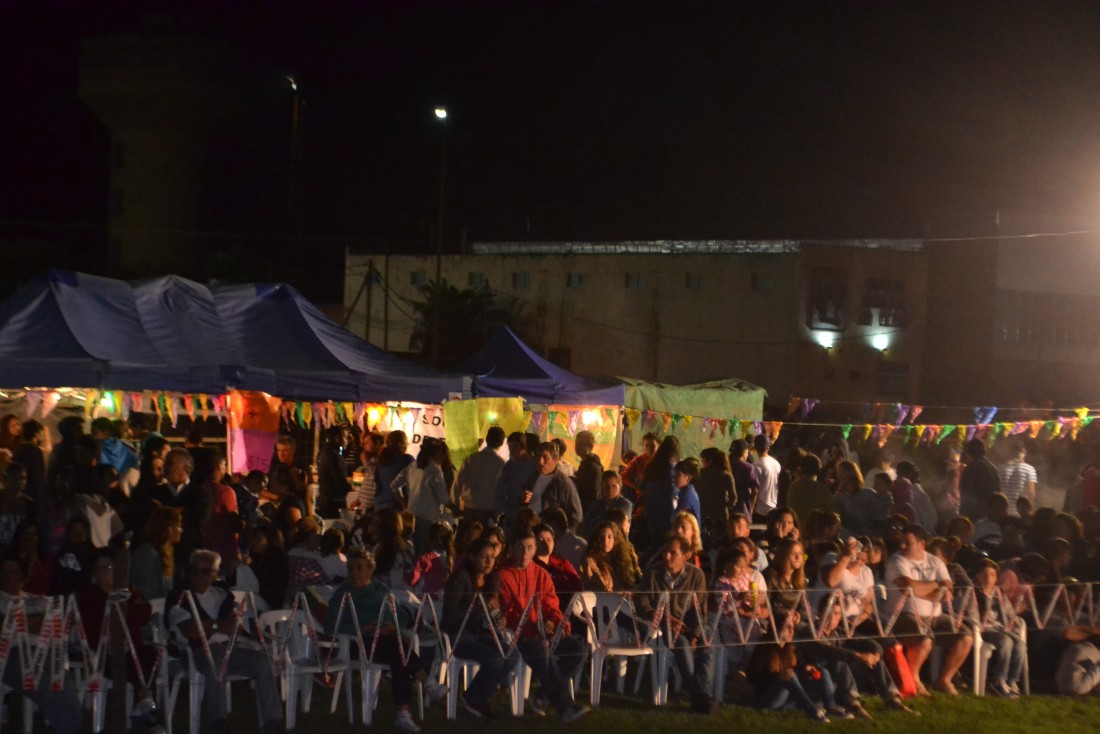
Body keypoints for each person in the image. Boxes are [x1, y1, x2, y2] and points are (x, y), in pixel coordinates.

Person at [325, 547, 447, 731]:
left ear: (370, 570)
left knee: (398, 653)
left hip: (384, 639)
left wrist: (391, 624)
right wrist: (361, 628)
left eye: (360, 568)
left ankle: (405, 711)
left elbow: (402, 616)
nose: (355, 573)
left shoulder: (380, 590)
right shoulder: (342, 594)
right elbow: (331, 624)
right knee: (398, 650)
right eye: (351, 568)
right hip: (357, 643)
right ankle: (425, 686)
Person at [166, 549, 283, 734]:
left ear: (214, 575)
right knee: (216, 661)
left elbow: (235, 627)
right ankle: (218, 723)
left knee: (262, 662)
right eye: (193, 570)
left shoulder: (221, 594)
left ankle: (272, 723)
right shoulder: (180, 596)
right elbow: (189, 630)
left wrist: (211, 626)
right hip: (196, 653)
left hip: (229, 649)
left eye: (205, 572)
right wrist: (217, 626)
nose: (198, 576)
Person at [497, 530, 590, 722]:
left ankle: (542, 695)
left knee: (579, 650)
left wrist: (555, 624)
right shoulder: (502, 576)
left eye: (530, 548)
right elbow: (509, 612)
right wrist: (534, 629)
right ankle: (565, 708)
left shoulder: (541, 575)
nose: (525, 552)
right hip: (519, 636)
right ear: (512, 548)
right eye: (521, 547)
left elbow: (552, 606)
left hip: (544, 633)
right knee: (540, 651)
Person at [0, 555, 85, 734]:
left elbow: (59, 623)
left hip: (45, 650)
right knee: (44, 685)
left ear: (23, 576)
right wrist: (36, 621)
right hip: (12, 653)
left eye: (14, 572)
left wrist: (22, 622)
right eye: (4, 571)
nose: (8, 576)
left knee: (65, 684)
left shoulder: (38, 600)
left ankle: (74, 730)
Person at [885, 523, 974, 695]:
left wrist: (918, 590)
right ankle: (913, 679)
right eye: (901, 542)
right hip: (903, 614)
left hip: (935, 616)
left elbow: (948, 593)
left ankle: (944, 679)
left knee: (965, 637)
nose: (902, 546)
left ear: (921, 544)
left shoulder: (935, 562)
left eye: (908, 543)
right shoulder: (897, 561)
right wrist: (935, 585)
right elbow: (906, 587)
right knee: (924, 640)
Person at [634, 535, 719, 715]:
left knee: (707, 643)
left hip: (689, 624)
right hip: (664, 626)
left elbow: (700, 609)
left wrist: (695, 635)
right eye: (665, 552)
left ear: (686, 555)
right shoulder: (653, 574)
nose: (667, 557)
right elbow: (642, 604)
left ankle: (702, 695)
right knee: (680, 642)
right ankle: (700, 698)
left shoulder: (696, 575)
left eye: (673, 553)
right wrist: (665, 618)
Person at [441, 536, 520, 718]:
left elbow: (493, 611)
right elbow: (450, 615)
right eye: (484, 556)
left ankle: (475, 696)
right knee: (495, 659)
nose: (488, 561)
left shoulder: (492, 579)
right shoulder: (461, 578)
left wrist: (499, 619)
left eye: (492, 557)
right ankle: (477, 698)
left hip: (480, 633)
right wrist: (479, 605)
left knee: (512, 655)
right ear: (472, 556)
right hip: (459, 635)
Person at [972, 558, 1025, 697]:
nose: (989, 578)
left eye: (992, 575)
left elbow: (1010, 613)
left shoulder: (998, 594)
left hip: (1000, 628)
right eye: (985, 574)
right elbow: (972, 615)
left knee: (1019, 643)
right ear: (978, 576)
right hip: (985, 629)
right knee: (1005, 642)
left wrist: (1014, 624)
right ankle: (998, 680)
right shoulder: (974, 593)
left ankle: (1012, 680)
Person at [392, 439, 450, 552]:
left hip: (410, 517)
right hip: (427, 519)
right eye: (443, 456)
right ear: (438, 453)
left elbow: (394, 486)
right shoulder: (434, 470)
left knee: (412, 551)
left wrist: (405, 504)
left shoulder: (412, 466)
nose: (443, 460)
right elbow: (444, 499)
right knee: (424, 555)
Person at [520, 442, 583, 529]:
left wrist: (563, 537)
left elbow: (576, 517)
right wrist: (523, 499)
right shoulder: (532, 477)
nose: (540, 461)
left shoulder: (564, 484)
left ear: (555, 460)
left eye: (545, 457)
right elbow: (521, 502)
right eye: (538, 456)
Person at [456, 427, 506, 525]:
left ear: (486, 439)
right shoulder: (501, 463)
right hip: (490, 509)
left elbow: (458, 483)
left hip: (470, 507)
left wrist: (456, 505)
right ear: (501, 443)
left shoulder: (471, 459)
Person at [132, 506, 184, 600]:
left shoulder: (167, 553)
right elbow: (146, 592)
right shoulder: (147, 554)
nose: (181, 530)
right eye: (178, 526)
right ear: (168, 527)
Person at [642, 436, 680, 551]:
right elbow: (671, 493)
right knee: (665, 544)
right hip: (665, 510)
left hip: (651, 507)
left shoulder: (652, 465)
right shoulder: (671, 468)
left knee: (655, 542)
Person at [496, 431, 537, 522]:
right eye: (510, 448)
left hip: (532, 512)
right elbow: (500, 492)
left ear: (523, 446)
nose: (511, 451)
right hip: (513, 513)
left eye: (514, 447)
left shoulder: (534, 465)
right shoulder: (507, 468)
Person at [787, 453, 836, 530]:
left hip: (797, 528)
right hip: (817, 530)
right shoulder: (823, 489)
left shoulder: (794, 486)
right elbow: (831, 511)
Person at [580, 470, 633, 539]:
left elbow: (614, 527)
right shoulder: (596, 504)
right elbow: (585, 523)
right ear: (602, 486)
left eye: (613, 486)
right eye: (607, 486)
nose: (610, 489)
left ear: (619, 487)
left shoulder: (625, 505)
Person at [960, 438, 1001, 521]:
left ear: (970, 453)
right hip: (992, 514)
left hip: (976, 516)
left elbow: (966, 495)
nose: (962, 457)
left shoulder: (971, 469)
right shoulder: (992, 468)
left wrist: (964, 516)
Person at [316, 426, 351, 518]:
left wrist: (349, 445)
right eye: (346, 438)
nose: (347, 441)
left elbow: (342, 453)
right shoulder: (334, 456)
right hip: (334, 502)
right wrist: (349, 487)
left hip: (325, 499)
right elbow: (339, 481)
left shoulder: (324, 451)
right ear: (337, 438)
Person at [374, 431, 414, 511]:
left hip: (379, 504)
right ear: (402, 443)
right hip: (397, 505)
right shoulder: (407, 460)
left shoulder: (382, 461)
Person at [622, 432, 658, 506]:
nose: (649, 448)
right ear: (643, 446)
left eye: (653, 445)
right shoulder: (637, 461)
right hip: (641, 501)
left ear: (658, 445)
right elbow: (624, 477)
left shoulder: (663, 461)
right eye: (647, 445)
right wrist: (637, 488)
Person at [1000, 445, 1037, 515]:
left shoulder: (1002, 468)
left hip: (1003, 510)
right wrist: (1030, 513)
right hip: (1019, 511)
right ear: (1024, 454)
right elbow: (1031, 493)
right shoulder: (1029, 469)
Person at [753, 434, 782, 523]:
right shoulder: (776, 463)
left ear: (755, 448)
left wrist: (751, 509)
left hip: (760, 510)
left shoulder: (756, 465)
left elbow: (755, 490)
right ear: (768, 447)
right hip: (773, 507)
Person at [728, 439, 760, 519]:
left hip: (728, 508)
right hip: (743, 508)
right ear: (745, 452)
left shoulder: (726, 466)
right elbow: (755, 490)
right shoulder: (748, 467)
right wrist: (751, 509)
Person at [573, 430, 604, 509]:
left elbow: (594, 494)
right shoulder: (585, 463)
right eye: (576, 443)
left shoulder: (592, 467)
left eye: (582, 444)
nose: (577, 446)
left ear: (591, 447)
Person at [673, 459, 703, 529]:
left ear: (688, 478)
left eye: (678, 475)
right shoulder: (688, 492)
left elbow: (678, 520)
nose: (674, 477)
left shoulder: (686, 495)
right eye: (674, 474)